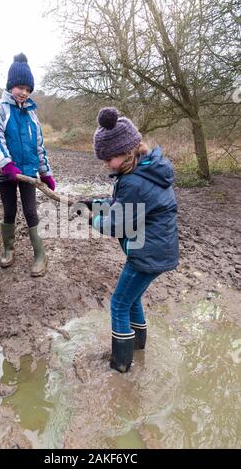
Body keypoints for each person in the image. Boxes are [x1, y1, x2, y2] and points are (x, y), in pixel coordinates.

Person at [81, 107, 179, 373]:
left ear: (126, 151)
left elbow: (117, 224)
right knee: (132, 299)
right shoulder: (145, 170)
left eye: (108, 158)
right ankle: (138, 349)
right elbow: (121, 205)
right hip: (156, 251)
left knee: (119, 304)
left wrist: (91, 218)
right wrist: (95, 203)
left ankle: (121, 366)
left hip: (147, 254)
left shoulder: (134, 181)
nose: (106, 164)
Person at [0, 53, 56, 277]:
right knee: (9, 210)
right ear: (10, 85)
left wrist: (45, 173)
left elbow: (39, 146)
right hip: (6, 171)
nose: (23, 92)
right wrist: (7, 164)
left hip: (28, 172)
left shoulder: (32, 113)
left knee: (31, 211)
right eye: (19, 87)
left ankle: (40, 255)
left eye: (28, 88)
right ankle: (8, 249)